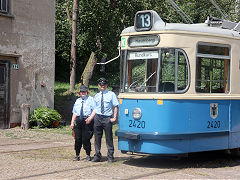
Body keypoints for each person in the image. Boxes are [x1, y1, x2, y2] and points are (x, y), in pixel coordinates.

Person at [91, 77, 119, 163]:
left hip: (107, 118)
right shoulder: (96, 96)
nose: (102, 86)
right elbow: (94, 108)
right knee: (97, 138)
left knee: (109, 138)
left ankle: (110, 156)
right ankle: (97, 155)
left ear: (106, 85)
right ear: (98, 85)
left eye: (104, 85)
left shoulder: (111, 94)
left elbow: (116, 106)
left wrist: (114, 117)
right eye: (101, 85)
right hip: (98, 117)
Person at [70, 85, 96, 161]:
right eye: (82, 92)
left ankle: (88, 155)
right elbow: (74, 112)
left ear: (87, 92)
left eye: (84, 92)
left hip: (87, 121)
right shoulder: (77, 101)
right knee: (77, 139)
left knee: (86, 139)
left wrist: (90, 118)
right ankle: (77, 155)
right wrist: (72, 122)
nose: (83, 93)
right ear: (80, 93)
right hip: (78, 121)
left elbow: (95, 110)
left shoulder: (91, 99)